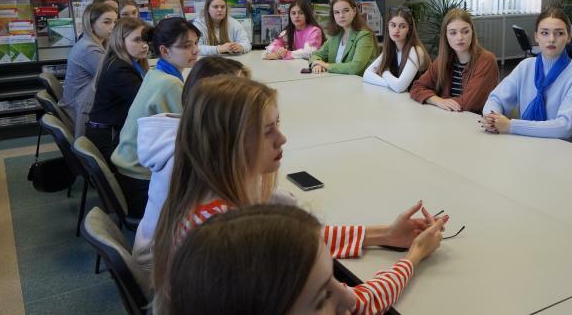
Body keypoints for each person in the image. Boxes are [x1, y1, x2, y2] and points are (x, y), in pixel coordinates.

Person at [152, 75, 447, 313]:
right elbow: (356, 305)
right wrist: (414, 256)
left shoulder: (204, 204)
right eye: (268, 130)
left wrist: (384, 234)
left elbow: (295, 244)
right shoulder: (229, 238)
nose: (282, 138)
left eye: (278, 125)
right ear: (230, 143)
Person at [162, 204, 446, 315]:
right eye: (322, 298)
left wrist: (387, 236)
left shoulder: (216, 227)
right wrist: (414, 256)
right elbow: (362, 302)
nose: (348, 297)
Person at [132, 56, 250, 269]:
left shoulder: (194, 133)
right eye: (240, 96)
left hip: (169, 249)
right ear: (210, 102)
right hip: (163, 263)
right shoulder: (193, 155)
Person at [111, 17, 200, 218]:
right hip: (141, 182)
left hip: (127, 171)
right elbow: (188, 137)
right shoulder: (169, 84)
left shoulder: (155, 72)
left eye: (196, 43)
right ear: (165, 51)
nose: (195, 50)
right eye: (186, 46)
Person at [481, 7, 572, 149]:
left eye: (559, 33)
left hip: (570, 152)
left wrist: (511, 125)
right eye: (544, 33)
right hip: (530, 146)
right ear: (536, 36)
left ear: (568, 37)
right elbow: (496, 99)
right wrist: (492, 118)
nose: (551, 39)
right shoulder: (526, 66)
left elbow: (564, 127)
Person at [85, 17, 152, 164]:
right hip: (109, 140)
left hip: (113, 132)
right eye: (137, 40)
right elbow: (147, 102)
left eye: (146, 40)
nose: (144, 45)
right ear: (120, 42)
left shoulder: (125, 62)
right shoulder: (119, 69)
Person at [409, 8, 499, 113]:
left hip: (473, 120)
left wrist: (440, 101)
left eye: (465, 31)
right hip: (448, 117)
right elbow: (416, 87)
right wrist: (437, 100)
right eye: (453, 33)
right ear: (446, 36)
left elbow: (467, 104)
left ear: (472, 33)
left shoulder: (487, 60)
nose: (460, 37)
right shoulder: (444, 60)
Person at [60, 3, 118, 136]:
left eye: (115, 22)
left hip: (82, 102)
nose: (113, 27)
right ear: (91, 25)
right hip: (82, 110)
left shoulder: (94, 42)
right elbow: (113, 77)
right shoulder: (89, 49)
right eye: (107, 22)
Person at [364, 6, 430, 93]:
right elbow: (367, 74)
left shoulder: (415, 51)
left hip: (420, 100)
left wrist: (385, 73)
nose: (396, 30)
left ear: (409, 29)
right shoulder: (391, 49)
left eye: (402, 26)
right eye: (393, 25)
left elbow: (399, 87)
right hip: (402, 99)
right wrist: (389, 84)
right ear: (388, 27)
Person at [310, 0, 378, 76]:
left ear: (354, 11)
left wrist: (326, 65)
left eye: (346, 10)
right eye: (336, 12)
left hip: (358, 82)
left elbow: (355, 68)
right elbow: (316, 55)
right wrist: (317, 64)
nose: (341, 15)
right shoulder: (335, 36)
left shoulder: (365, 36)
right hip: (337, 80)